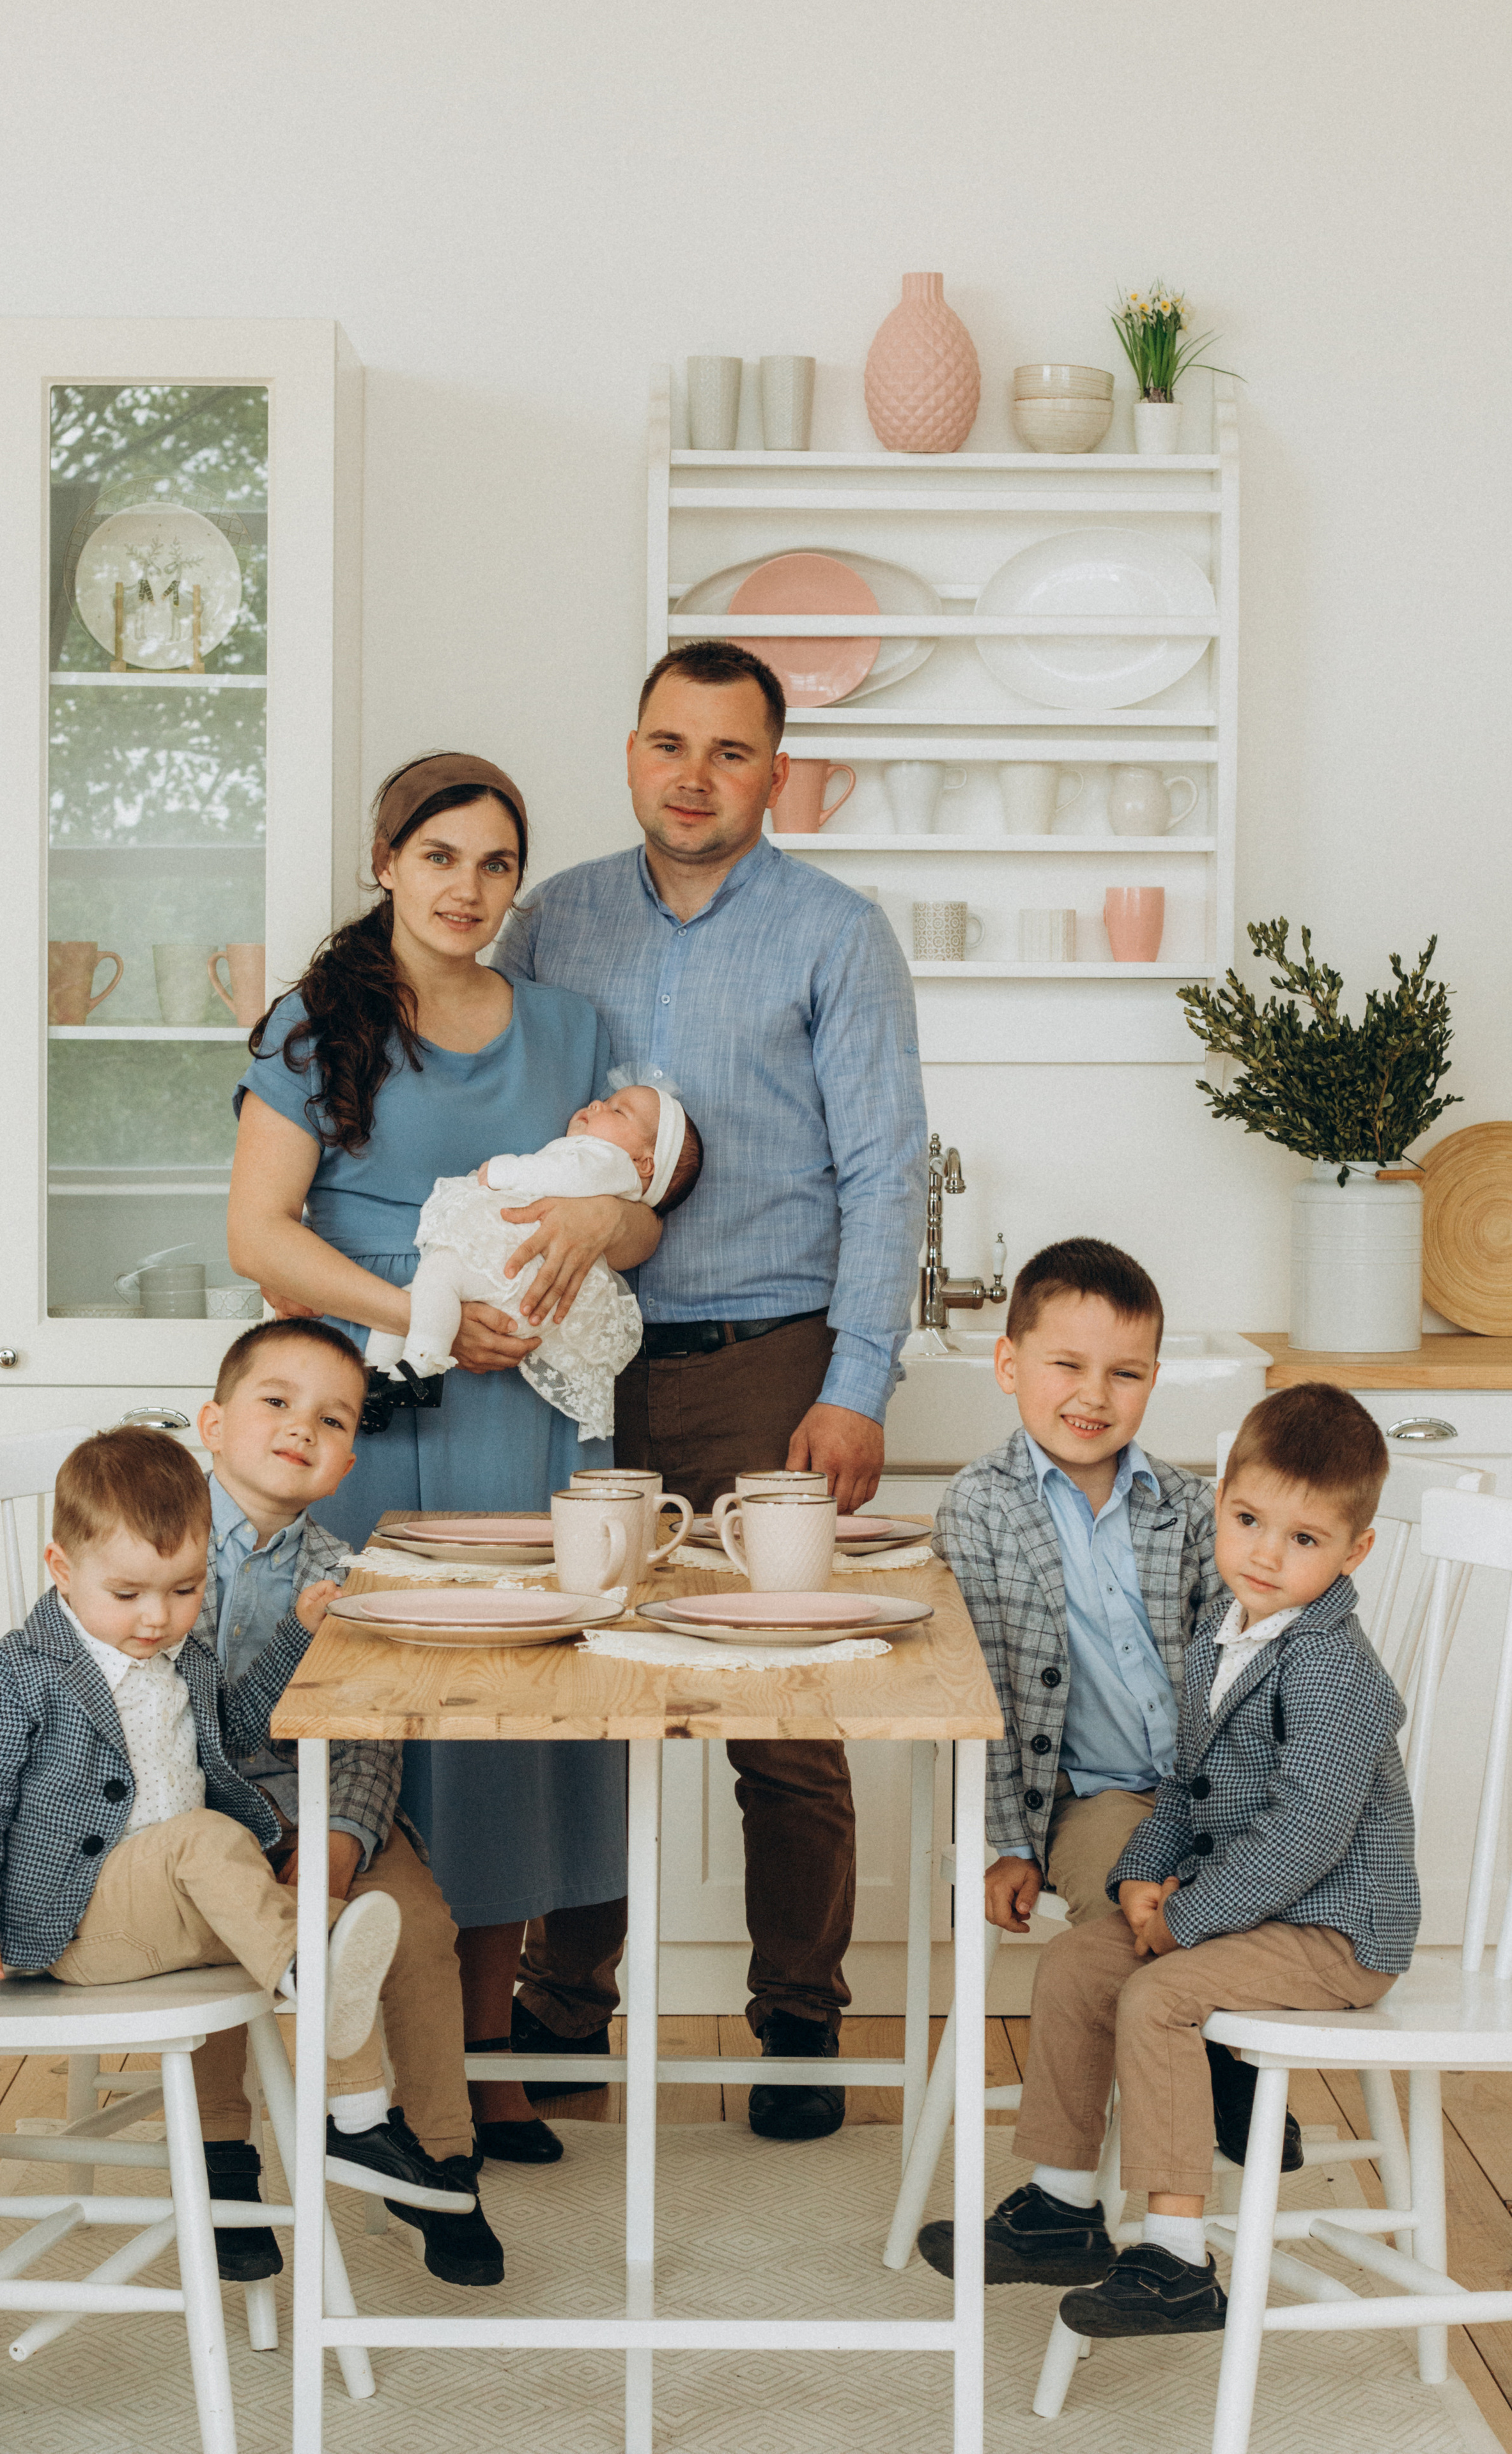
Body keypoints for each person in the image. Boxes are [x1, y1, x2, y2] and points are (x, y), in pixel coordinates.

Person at [496, 640, 929, 2143]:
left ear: (775, 772)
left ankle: (798, 2019)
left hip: (768, 1366)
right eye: (669, 745)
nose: (694, 778)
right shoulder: (549, 923)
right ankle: (561, 2006)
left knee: (783, 1712)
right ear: (631, 752)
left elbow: (884, 1169)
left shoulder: (835, 935)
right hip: (578, 1368)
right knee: (578, 1701)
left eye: (729, 752)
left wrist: (854, 1382)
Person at [227, 752, 661, 2162]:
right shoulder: (317, 1023)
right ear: (385, 861)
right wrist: (415, 1314)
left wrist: (603, 1229)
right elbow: (258, 1233)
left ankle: (484, 2068)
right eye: (439, 857)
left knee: (510, 1739)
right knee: (378, 1730)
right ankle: (369, 2067)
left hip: (525, 1418)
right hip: (371, 1411)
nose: (467, 889)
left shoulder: (568, 1028)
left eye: (494, 865)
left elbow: (632, 1209)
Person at [933, 1383, 1417, 2337]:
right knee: (1077, 1963)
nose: (1266, 1555)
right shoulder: (1223, 1632)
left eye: (1304, 1539)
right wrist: (1137, 1882)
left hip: (1333, 1931)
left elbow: (1305, 1835)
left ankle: (1176, 2260)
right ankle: (1063, 2205)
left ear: (1354, 1551)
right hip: (1250, 1913)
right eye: (1248, 1522)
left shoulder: (1331, 1667)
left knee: (1158, 1996)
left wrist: (1183, 1921)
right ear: (1219, 1504)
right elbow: (1183, 1786)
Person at [0, 1428, 424, 2193]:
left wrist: (298, 1636)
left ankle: (358, 2121)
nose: (156, 1617)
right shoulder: (19, 1670)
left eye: (184, 1591)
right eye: (128, 1595)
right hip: (83, 1921)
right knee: (207, 1840)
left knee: (334, 1927)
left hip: (179, 1904)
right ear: (62, 1569)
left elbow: (239, 1732)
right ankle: (301, 1975)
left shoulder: (185, 1660)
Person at [930, 1237, 1283, 2204]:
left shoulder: (1190, 1508)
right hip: (1092, 1803)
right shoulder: (980, 1510)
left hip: (1208, 1790)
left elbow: (1250, 1663)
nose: (1094, 1395)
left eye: (1124, 1373)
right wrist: (1009, 1843)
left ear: (1153, 1380)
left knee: (1251, 1869)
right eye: (1067, 1365)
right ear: (1009, 1365)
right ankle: (1217, 2072)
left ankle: (1216, 2053)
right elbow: (987, 1697)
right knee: (1136, 1889)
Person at [192, 1316, 504, 2288]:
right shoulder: (159, 1541)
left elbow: (368, 1730)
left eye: (331, 1420)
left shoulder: (344, 1573)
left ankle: (439, 2156)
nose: (301, 1427)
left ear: (346, 1464)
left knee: (417, 1923)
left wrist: (334, 1843)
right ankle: (221, 2156)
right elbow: (164, 1721)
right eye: (275, 1402)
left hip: (318, 1800)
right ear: (212, 1423)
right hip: (192, 1811)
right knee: (218, 1924)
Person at [366, 1081, 703, 1439]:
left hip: (528, 1275)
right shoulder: (599, 1159)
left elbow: (565, 1174)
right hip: (522, 1272)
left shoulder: (611, 1162)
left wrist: (504, 1171)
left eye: (617, 1111)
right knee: (416, 1298)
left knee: (438, 1275)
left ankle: (422, 1372)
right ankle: (376, 1380)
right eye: (606, 1100)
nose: (597, 1104)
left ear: (644, 1162)